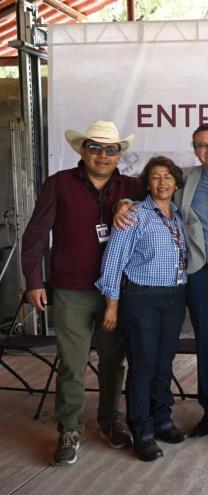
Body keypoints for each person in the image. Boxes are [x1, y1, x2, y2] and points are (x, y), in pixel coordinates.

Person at [116, 124, 208, 440]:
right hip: (201, 277)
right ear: (195, 149)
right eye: (202, 145)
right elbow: (149, 193)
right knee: (206, 347)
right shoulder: (184, 180)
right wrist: (122, 204)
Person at [21, 120, 142, 465]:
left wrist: (130, 201)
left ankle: (109, 419)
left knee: (112, 362)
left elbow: (165, 199)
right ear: (82, 150)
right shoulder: (59, 184)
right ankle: (70, 427)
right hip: (71, 290)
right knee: (72, 365)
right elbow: (35, 235)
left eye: (111, 149)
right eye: (95, 148)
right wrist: (33, 280)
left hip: (116, 293)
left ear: (119, 153)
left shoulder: (132, 185)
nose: (103, 156)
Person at [96, 156, 189, 462]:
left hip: (174, 296)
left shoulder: (176, 215)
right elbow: (113, 260)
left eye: (168, 177)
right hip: (141, 298)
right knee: (144, 365)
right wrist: (112, 304)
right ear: (147, 183)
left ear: (176, 182)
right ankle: (142, 429)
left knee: (163, 363)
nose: (163, 183)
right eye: (156, 177)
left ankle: (162, 419)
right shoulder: (134, 215)